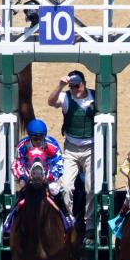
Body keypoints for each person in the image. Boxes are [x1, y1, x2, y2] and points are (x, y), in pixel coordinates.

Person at [47, 70, 95, 231]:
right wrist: (60, 86)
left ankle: (90, 223)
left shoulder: (95, 96)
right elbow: (51, 102)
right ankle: (66, 220)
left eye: (77, 86)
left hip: (91, 149)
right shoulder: (66, 97)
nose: (75, 89)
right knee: (66, 186)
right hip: (71, 149)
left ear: (84, 84)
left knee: (91, 187)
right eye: (72, 86)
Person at [9, 119, 70, 224]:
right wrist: (22, 176)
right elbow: (17, 164)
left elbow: (59, 164)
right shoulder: (22, 146)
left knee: (54, 189)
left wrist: (50, 177)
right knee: (22, 189)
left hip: (47, 175)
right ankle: (10, 218)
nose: (38, 142)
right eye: (35, 139)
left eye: (40, 138)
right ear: (29, 137)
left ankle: (66, 215)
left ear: (44, 136)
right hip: (29, 175)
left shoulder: (52, 146)